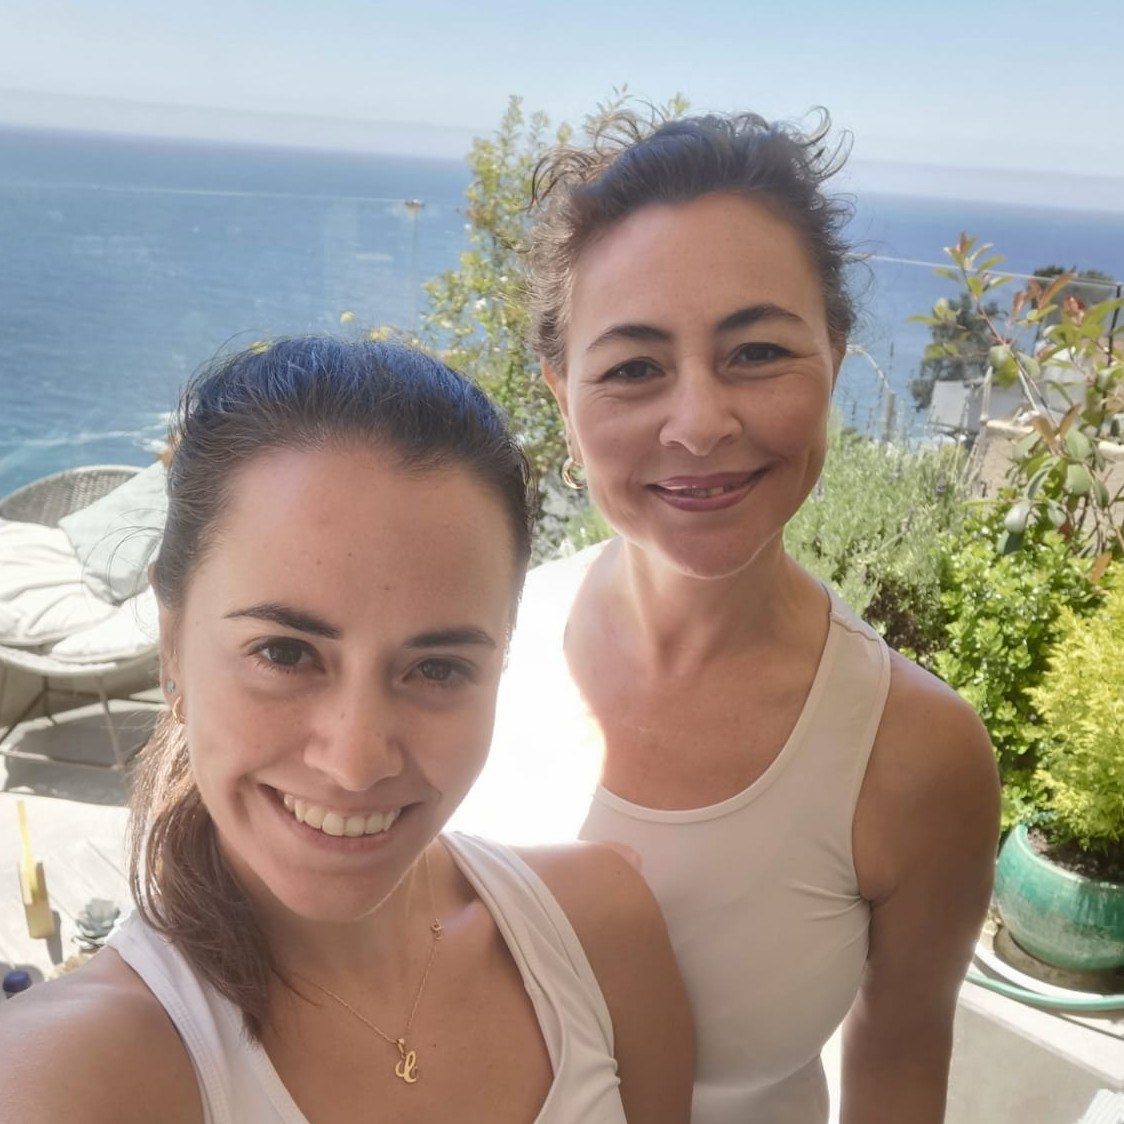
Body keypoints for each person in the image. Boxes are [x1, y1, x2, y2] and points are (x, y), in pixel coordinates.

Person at [452, 110, 1001, 1123]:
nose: (700, 423)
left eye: (756, 350)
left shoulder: (913, 754)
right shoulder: (470, 645)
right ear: (562, 396)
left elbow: (898, 1061)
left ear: (833, 357)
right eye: (633, 366)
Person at [0, 338, 693, 1124]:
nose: (356, 761)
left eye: (437, 668)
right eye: (285, 653)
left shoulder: (600, 930)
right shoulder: (67, 1078)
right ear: (172, 645)